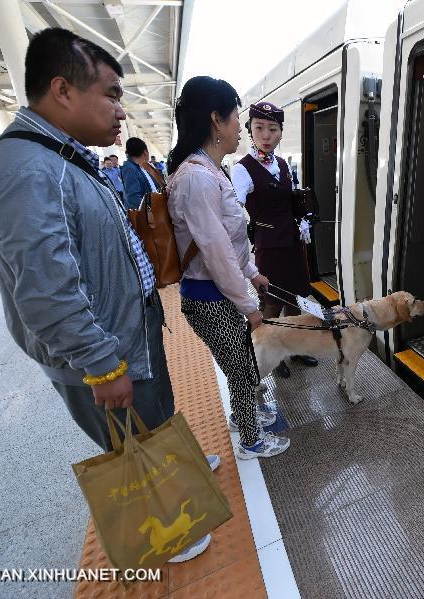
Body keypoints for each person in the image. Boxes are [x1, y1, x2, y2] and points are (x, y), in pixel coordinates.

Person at [0, 28, 213, 562]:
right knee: (130, 437)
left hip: (127, 330)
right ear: (63, 90)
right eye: (111, 94)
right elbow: (45, 289)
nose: (122, 111)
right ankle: (168, 528)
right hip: (103, 351)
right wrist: (102, 365)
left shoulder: (60, 157)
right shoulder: (27, 169)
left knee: (155, 412)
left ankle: (178, 467)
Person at [167, 76, 290, 459]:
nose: (242, 127)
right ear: (216, 120)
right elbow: (217, 253)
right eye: (238, 118)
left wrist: (252, 273)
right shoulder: (198, 178)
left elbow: (231, 242)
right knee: (242, 369)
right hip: (209, 298)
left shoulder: (210, 170)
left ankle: (245, 417)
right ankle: (251, 442)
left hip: (218, 294)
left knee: (241, 365)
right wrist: (249, 305)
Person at [232, 101, 317, 379]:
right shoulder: (242, 169)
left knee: (296, 300)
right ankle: (272, 352)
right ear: (250, 130)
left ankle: (294, 347)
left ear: (280, 133)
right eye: (259, 128)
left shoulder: (281, 164)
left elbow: (290, 199)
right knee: (271, 303)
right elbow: (234, 206)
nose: (266, 135)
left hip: (292, 243)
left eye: (273, 129)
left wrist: (303, 217)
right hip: (269, 246)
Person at [121, 137, 162, 209]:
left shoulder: (140, 166)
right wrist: (151, 209)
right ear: (145, 152)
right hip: (145, 214)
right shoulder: (130, 168)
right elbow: (133, 197)